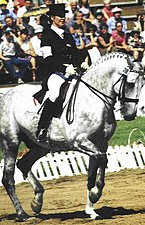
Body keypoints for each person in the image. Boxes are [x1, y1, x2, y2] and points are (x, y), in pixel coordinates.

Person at [33, 4, 88, 143]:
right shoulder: (46, 35)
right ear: (52, 18)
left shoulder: (67, 35)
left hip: (70, 71)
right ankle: (42, 128)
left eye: (64, 16)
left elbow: (75, 53)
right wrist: (64, 69)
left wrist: (81, 62)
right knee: (55, 94)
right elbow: (48, 59)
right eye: (60, 16)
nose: (63, 18)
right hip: (53, 73)